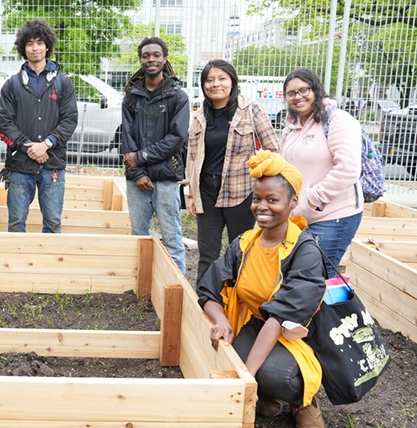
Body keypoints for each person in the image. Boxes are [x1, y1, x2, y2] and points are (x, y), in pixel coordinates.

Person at [197, 151, 326, 428]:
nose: (261, 207)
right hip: (256, 324)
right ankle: (269, 392)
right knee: (227, 355)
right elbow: (208, 289)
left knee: (279, 374)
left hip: (295, 334)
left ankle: (303, 400)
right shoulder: (245, 243)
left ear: (293, 203)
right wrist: (221, 322)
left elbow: (281, 317)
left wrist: (248, 379)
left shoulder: (304, 251)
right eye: (257, 199)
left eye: (272, 200)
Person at [183, 60, 280, 281]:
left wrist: (261, 181)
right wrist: (191, 193)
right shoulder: (199, 116)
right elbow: (192, 157)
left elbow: (274, 149)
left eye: (221, 78)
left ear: (232, 82)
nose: (215, 84)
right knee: (207, 253)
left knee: (241, 250)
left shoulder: (250, 110)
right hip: (207, 192)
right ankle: (205, 302)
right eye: (209, 80)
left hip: (242, 192)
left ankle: (238, 300)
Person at [279, 68, 363, 279]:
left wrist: (312, 199)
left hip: (332, 215)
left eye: (303, 90)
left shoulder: (337, 120)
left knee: (315, 279)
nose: (298, 97)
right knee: (297, 278)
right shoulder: (291, 128)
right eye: (291, 93)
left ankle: (334, 313)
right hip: (300, 215)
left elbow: (348, 169)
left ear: (316, 90)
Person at [0, 18, 78, 233]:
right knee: (15, 223)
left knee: (52, 222)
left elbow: (69, 120)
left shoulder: (63, 83)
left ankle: (50, 266)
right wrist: (29, 147)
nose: (35, 48)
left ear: (47, 46)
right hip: (20, 166)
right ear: (23, 48)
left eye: (40, 42)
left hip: (52, 164)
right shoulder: (12, 84)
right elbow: (4, 123)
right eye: (30, 43)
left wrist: (47, 144)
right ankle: (16, 265)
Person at [121, 36, 189, 274]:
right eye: (146, 55)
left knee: (172, 238)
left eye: (156, 55)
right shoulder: (132, 95)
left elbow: (176, 138)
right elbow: (126, 136)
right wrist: (137, 172)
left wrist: (141, 157)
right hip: (136, 181)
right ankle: (142, 284)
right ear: (141, 59)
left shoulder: (178, 96)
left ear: (164, 59)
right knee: (139, 237)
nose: (151, 59)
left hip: (166, 178)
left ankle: (177, 286)